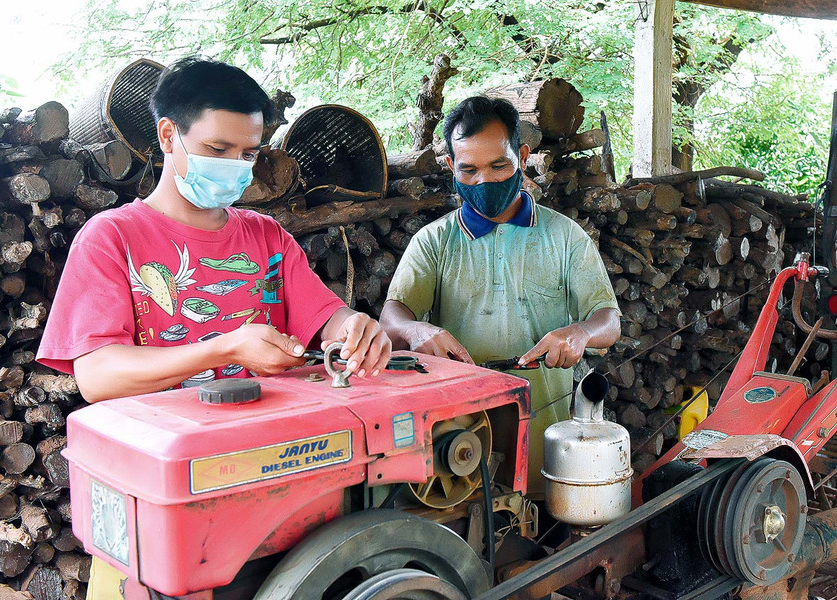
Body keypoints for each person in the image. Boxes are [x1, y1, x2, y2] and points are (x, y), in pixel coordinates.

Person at [37, 57, 391, 600]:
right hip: (162, 506)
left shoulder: (266, 237)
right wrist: (223, 347)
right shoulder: (111, 238)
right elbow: (98, 376)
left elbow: (326, 319)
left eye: (249, 154)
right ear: (167, 135)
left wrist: (354, 327)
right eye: (217, 151)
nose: (235, 167)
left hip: (273, 487)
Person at [380, 96, 621, 504]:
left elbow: (609, 321)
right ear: (449, 168)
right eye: (468, 170)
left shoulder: (564, 237)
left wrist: (580, 332)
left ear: (522, 157)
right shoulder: (434, 242)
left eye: (498, 166)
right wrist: (416, 329)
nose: (483, 182)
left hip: (547, 447)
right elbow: (391, 316)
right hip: (456, 445)